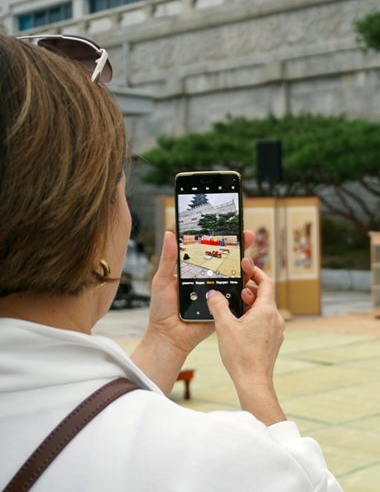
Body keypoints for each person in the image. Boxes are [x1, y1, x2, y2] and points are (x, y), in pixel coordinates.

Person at [0, 36, 341, 491]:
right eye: (121, 188)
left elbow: (80, 416)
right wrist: (254, 378)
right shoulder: (208, 460)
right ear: (88, 221)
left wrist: (165, 344)